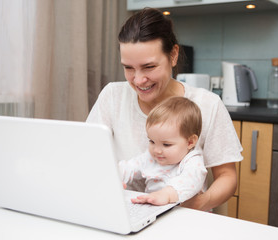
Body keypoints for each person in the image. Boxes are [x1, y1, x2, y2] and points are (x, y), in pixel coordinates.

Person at [86, 8, 243, 211]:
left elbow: (228, 177)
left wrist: (200, 202)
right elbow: (90, 157)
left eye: (149, 67)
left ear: (174, 55)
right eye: (128, 68)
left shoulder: (208, 105)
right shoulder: (112, 96)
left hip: (183, 216)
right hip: (125, 212)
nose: (138, 80)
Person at [119, 96, 207, 206]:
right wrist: (113, 176)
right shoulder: (151, 157)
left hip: (187, 214)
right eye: (152, 141)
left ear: (190, 142)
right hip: (156, 211)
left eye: (166, 144)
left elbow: (190, 180)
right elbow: (129, 167)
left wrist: (166, 195)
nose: (156, 150)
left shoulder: (192, 161)